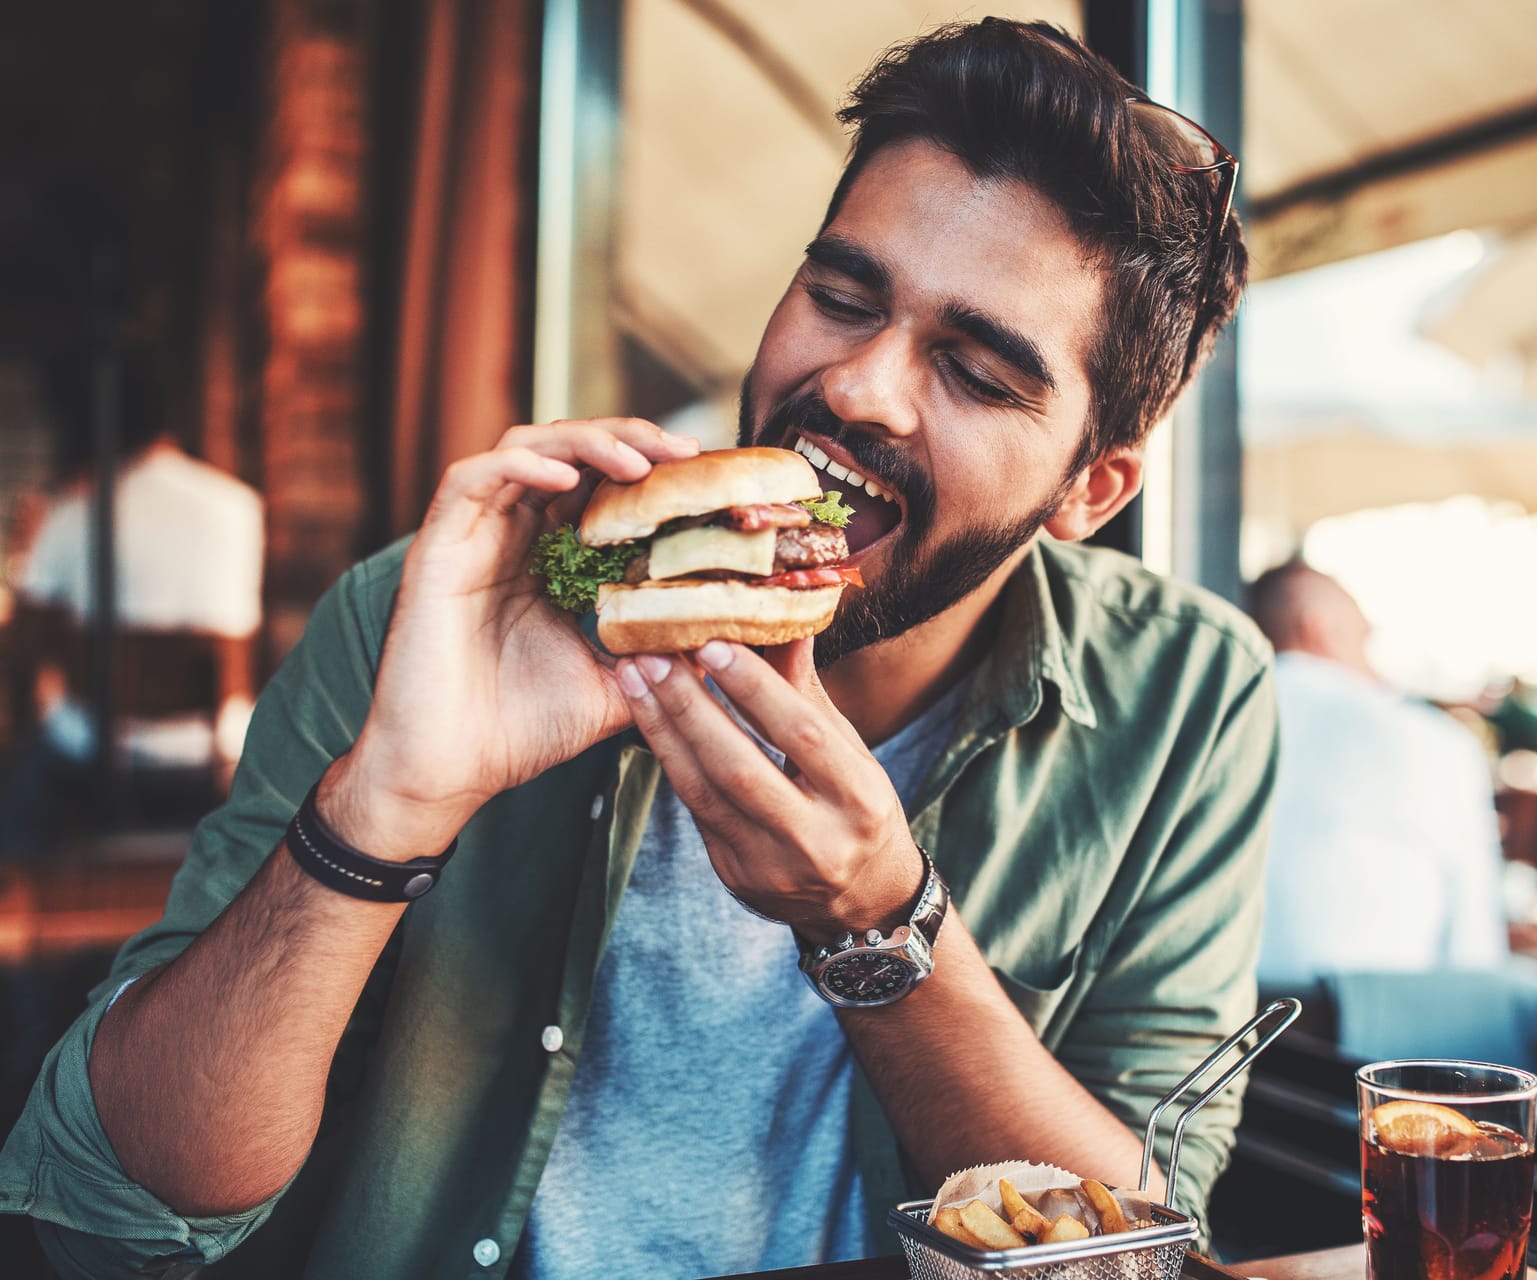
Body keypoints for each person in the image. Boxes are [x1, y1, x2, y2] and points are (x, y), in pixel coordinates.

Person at [0, 21, 1277, 1279]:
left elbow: (1137, 1256)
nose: (862, 387)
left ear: (1091, 488)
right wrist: (387, 803)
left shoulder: (1188, 696)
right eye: (841, 296)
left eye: (980, 374)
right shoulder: (434, 617)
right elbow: (108, 1216)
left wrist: (885, 925)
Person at [0, 350, 262, 854]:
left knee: (17, 794)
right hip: (216, 751)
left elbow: (26, 637)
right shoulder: (239, 506)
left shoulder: (74, 514)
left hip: (98, 759)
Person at [1246, 558, 1506, 989]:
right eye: (1366, 637)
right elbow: (1473, 944)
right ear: (1320, 628)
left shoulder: (1201, 722)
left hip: (1228, 1029)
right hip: (1368, 1023)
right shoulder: (1429, 737)